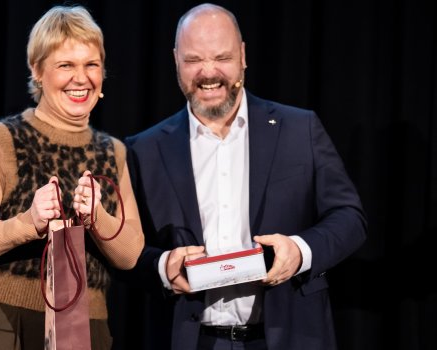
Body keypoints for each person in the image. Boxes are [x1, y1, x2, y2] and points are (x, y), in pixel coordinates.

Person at [124, 3, 367, 350]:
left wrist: (300, 251)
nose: (208, 73)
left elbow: (350, 218)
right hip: (191, 340)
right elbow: (124, 251)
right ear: (176, 59)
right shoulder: (143, 150)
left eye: (221, 57)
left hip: (289, 336)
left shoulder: (299, 129)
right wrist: (162, 266)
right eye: (193, 60)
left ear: (242, 56)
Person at [0, 5, 145, 350]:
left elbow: (130, 255)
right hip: (0, 323)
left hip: (83, 328)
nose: (81, 78)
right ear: (37, 70)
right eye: (66, 65)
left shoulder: (113, 152)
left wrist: (97, 217)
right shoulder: (4, 139)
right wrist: (27, 222)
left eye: (91, 65)